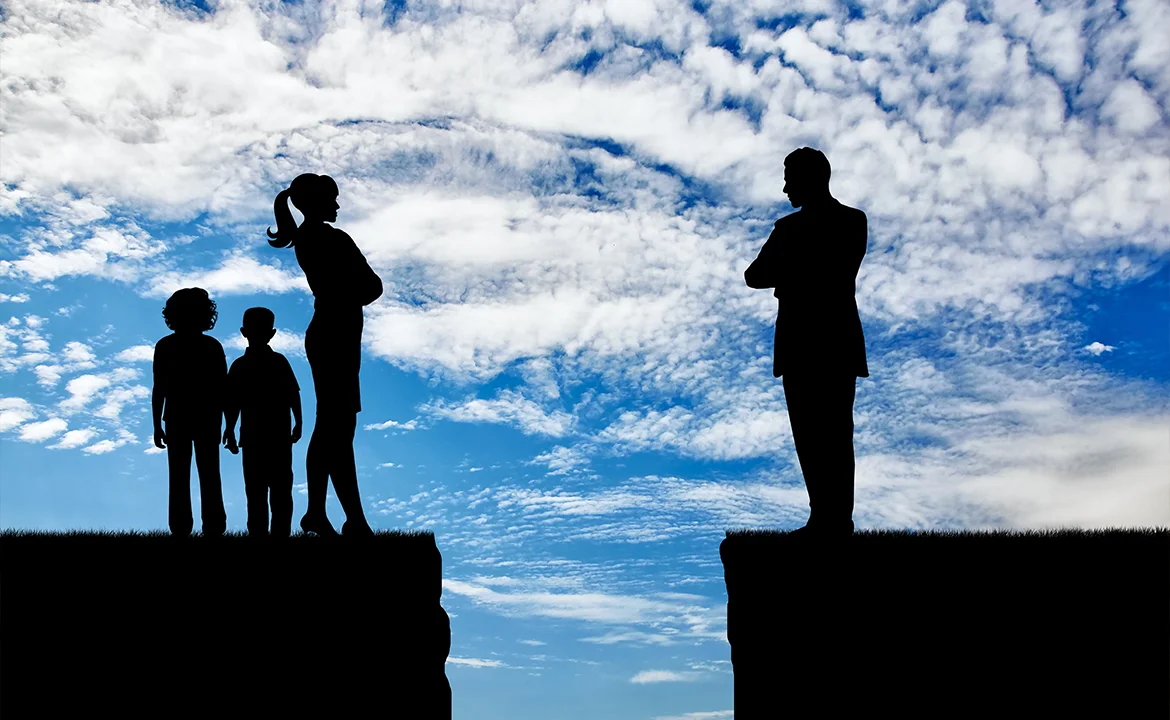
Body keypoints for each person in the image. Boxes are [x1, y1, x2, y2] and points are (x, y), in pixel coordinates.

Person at [744, 147, 869, 537]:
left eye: (789, 177)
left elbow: (835, 270)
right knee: (812, 435)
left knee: (830, 432)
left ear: (811, 177)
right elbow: (754, 275)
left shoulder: (840, 223)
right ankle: (824, 516)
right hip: (807, 342)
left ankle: (835, 519)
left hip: (824, 338)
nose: (784, 187)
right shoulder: (795, 228)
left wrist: (792, 270)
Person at [267, 173, 383, 537]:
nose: (336, 206)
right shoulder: (329, 238)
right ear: (315, 203)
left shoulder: (308, 238)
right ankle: (344, 517)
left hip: (333, 334)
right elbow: (371, 286)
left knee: (333, 427)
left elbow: (366, 287)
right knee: (337, 428)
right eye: (331, 200)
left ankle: (327, 513)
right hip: (335, 335)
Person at [152, 287, 229, 537]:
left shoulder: (169, 346)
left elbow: (222, 389)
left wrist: (156, 424)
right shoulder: (208, 346)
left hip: (192, 418)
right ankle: (200, 528)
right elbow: (160, 387)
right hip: (192, 418)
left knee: (189, 476)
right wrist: (156, 424)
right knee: (203, 475)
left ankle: (197, 528)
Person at [223, 307, 303, 538]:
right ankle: (260, 534)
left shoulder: (276, 362)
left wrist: (298, 422)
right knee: (259, 491)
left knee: (277, 490)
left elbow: (292, 394)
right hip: (257, 436)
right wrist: (229, 429)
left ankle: (277, 535)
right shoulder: (242, 365)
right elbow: (233, 402)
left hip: (274, 436)